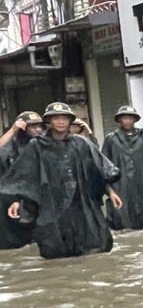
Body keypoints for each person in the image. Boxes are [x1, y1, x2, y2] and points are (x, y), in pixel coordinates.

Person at [1, 102, 122, 259]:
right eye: (55, 118)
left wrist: (110, 192)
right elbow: (25, 175)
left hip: (80, 204)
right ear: (49, 121)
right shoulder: (36, 146)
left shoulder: (82, 144)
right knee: (55, 250)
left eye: (64, 118)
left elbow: (98, 170)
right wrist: (16, 200)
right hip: (51, 205)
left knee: (92, 246)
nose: (60, 121)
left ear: (70, 121)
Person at [101, 105, 143, 231]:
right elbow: (104, 164)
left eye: (130, 118)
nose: (127, 121)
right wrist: (107, 186)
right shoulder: (111, 140)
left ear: (135, 120)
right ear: (120, 120)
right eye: (124, 118)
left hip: (142, 184)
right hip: (120, 185)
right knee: (121, 217)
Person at [0, 111, 45, 249]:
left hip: (40, 197)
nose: (37, 130)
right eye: (32, 126)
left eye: (39, 126)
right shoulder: (10, 148)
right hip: (14, 200)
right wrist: (12, 130)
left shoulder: (43, 144)